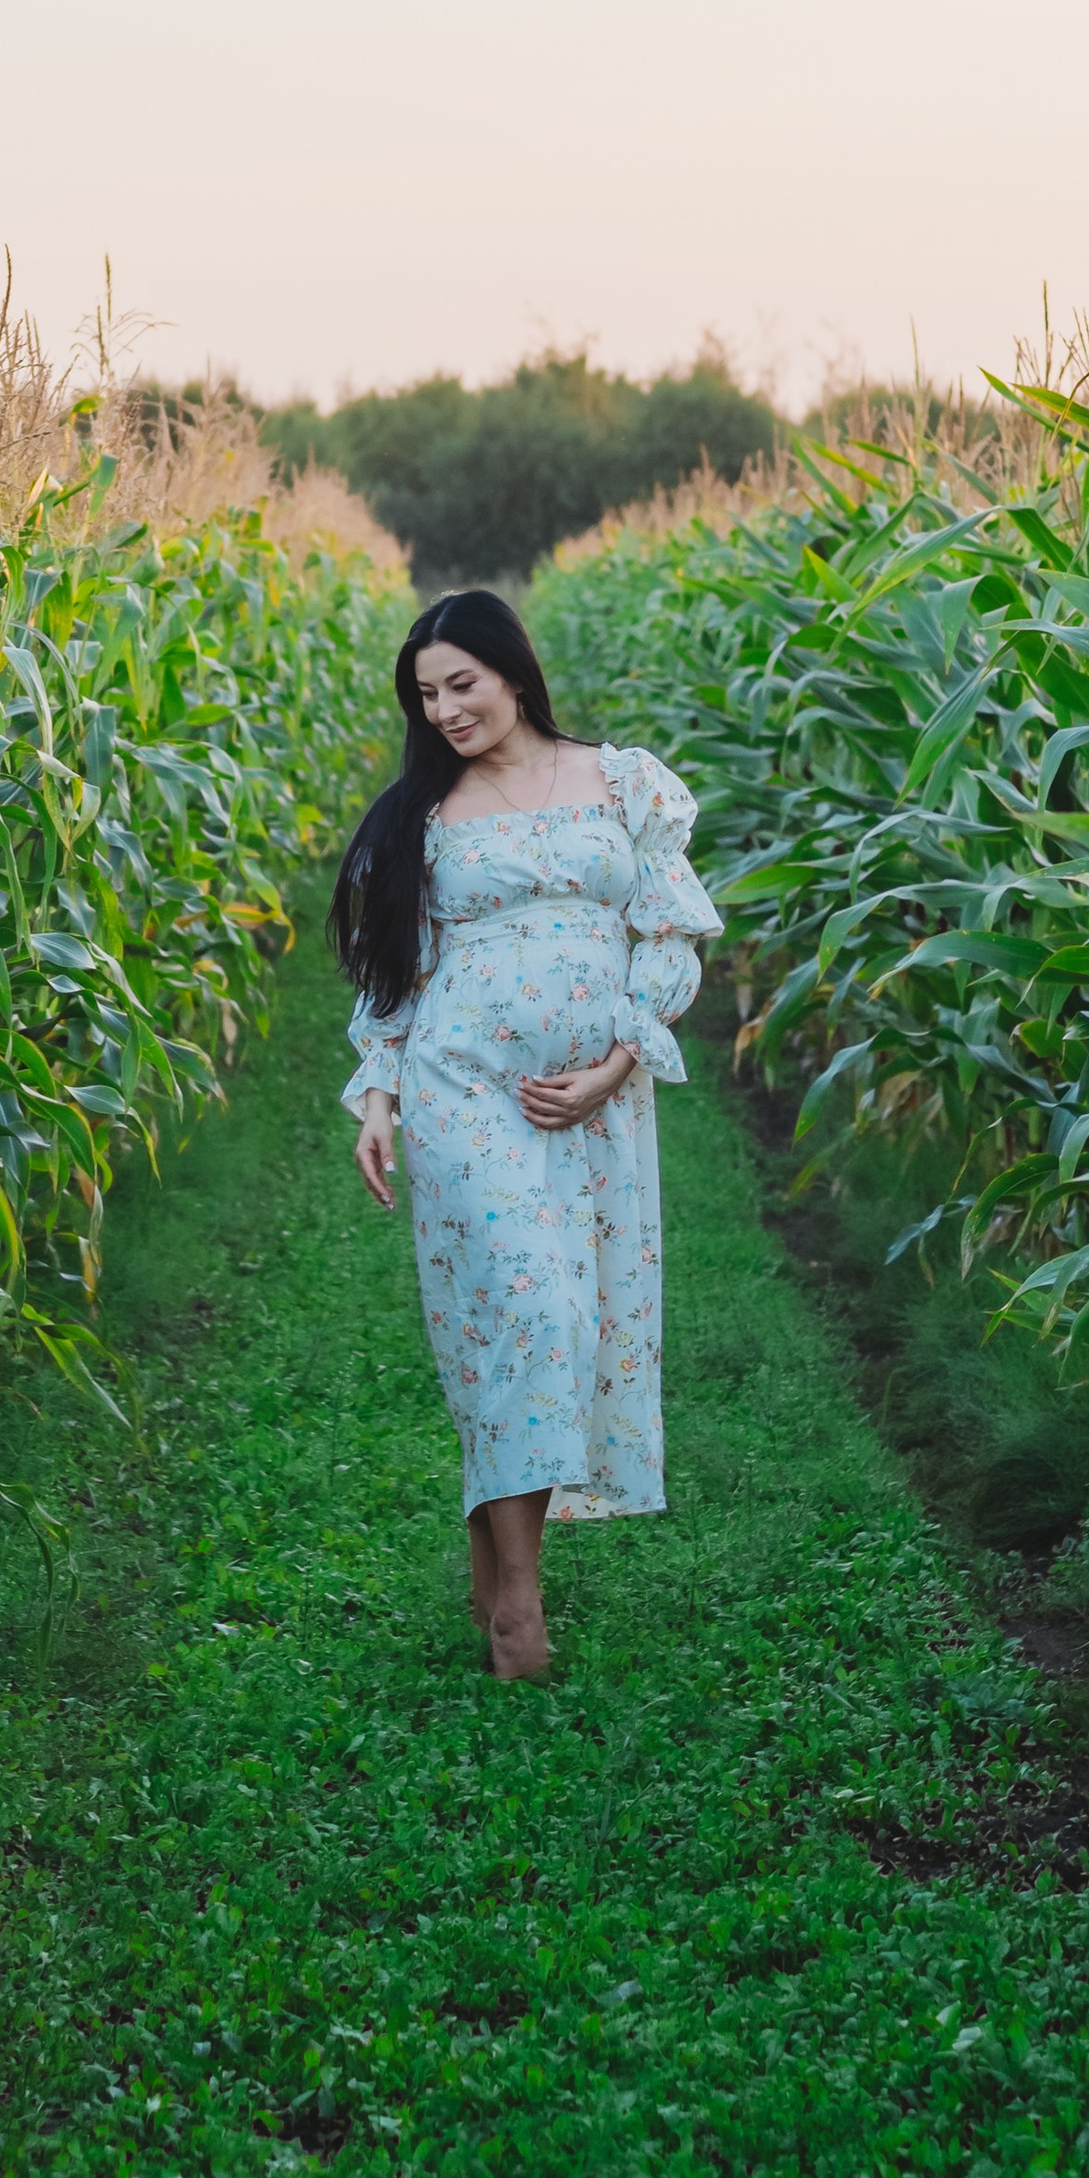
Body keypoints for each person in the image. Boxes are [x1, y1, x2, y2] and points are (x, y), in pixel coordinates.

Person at [330, 590, 721, 1680]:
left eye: (461, 684)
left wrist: (615, 1065)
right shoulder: (419, 815)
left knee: (559, 1327)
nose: (446, 711)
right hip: (463, 1089)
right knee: (530, 1312)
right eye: (425, 696)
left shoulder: (623, 782)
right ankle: (519, 1604)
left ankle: (489, 1559)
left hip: (595, 1099)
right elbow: (394, 975)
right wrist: (379, 1098)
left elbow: (669, 931)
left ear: (511, 671)